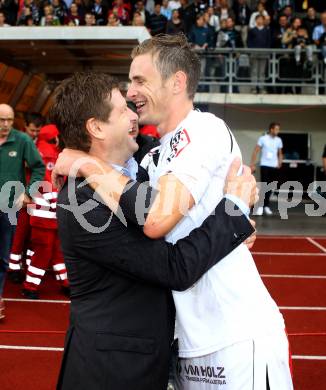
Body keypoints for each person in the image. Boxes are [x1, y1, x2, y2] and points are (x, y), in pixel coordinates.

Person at [54, 35, 293, 390]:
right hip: (178, 347)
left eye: (139, 81)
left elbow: (155, 219)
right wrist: (234, 214)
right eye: (126, 93)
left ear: (177, 82)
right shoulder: (147, 158)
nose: (132, 97)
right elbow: (168, 250)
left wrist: (237, 212)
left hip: (232, 335)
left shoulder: (203, 128)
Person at [0, 104, 45, 320]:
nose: (6, 124)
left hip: (9, 208)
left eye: (9, 120)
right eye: (1, 120)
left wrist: (28, 192)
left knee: (3, 256)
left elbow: (39, 167)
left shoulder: (22, 140)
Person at [22, 125, 69, 299]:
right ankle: (30, 287)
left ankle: (65, 282)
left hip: (49, 215)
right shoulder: (48, 154)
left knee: (56, 251)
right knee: (44, 252)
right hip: (46, 215)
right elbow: (48, 184)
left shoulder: (48, 151)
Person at [8, 112, 45, 282]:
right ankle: (13, 268)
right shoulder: (18, 143)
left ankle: (31, 267)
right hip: (20, 194)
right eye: (32, 130)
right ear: (25, 126)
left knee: (34, 236)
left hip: (39, 195)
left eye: (38, 131)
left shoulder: (45, 145)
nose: (35, 134)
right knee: (18, 233)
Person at [250, 122, 283, 216]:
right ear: (271, 129)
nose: (277, 131)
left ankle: (266, 206)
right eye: (276, 129)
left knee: (271, 186)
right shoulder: (263, 139)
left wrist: (280, 162)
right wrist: (252, 164)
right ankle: (260, 206)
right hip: (265, 165)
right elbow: (256, 151)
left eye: (278, 129)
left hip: (274, 166)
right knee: (264, 185)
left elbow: (280, 152)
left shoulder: (279, 140)